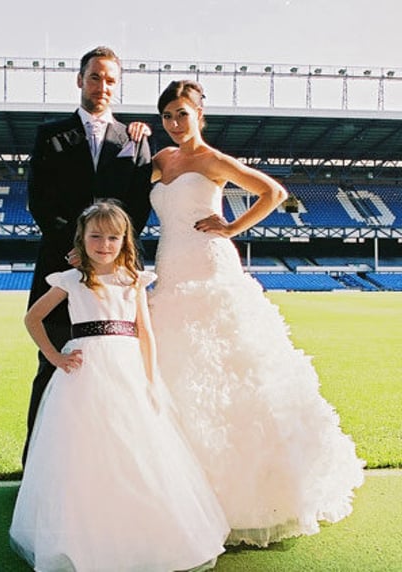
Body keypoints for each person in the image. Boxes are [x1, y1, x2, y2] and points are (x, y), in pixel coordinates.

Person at [148, 79, 365, 547]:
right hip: (169, 266)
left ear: (199, 115)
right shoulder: (161, 160)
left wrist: (231, 227)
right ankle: (176, 489)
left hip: (208, 263)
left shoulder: (213, 160)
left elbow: (273, 192)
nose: (175, 123)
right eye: (167, 116)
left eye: (183, 114)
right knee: (174, 368)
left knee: (231, 367)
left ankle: (246, 495)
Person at [10, 200, 228, 571]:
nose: (104, 244)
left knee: (136, 444)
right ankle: (84, 530)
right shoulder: (71, 280)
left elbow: (145, 332)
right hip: (85, 373)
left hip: (127, 369)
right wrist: (54, 356)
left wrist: (151, 377)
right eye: (96, 236)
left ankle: (139, 526)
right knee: (84, 447)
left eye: (113, 237)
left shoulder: (133, 280)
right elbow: (33, 318)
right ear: (82, 238)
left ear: (124, 240)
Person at [23, 45, 153, 465]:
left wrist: (110, 257)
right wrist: (78, 250)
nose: (102, 85)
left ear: (118, 85)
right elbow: (40, 201)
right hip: (62, 264)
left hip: (116, 278)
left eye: (110, 79)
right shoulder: (50, 135)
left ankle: (110, 468)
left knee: (119, 374)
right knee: (52, 367)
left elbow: (138, 208)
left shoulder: (134, 138)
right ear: (80, 80)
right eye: (95, 77)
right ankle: (38, 469)